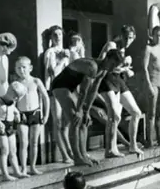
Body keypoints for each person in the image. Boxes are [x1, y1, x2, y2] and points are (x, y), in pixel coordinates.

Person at [50, 50, 124, 167]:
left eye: (115, 66)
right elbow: (84, 91)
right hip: (60, 85)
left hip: (72, 88)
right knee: (75, 119)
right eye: (112, 64)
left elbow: (93, 91)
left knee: (84, 121)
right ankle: (77, 157)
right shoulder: (92, 66)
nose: (112, 68)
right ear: (107, 58)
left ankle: (84, 155)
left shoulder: (103, 70)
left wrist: (86, 111)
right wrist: (79, 110)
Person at [98, 26, 144, 158]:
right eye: (125, 37)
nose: (128, 40)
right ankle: (110, 150)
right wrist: (123, 68)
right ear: (120, 36)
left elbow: (117, 67)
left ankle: (133, 146)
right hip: (107, 80)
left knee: (136, 112)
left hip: (118, 80)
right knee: (114, 116)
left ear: (134, 38)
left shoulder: (123, 49)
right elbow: (101, 64)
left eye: (130, 38)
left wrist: (126, 68)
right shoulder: (111, 45)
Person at [15, 56, 50, 176]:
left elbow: (46, 97)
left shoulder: (36, 81)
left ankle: (33, 167)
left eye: (24, 67)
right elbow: (12, 101)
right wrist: (16, 113)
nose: (21, 70)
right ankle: (23, 168)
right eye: (18, 68)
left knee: (34, 142)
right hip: (22, 115)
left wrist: (46, 114)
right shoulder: (15, 84)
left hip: (35, 113)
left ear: (30, 68)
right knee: (23, 143)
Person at [43, 26, 73, 164]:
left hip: (66, 88)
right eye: (55, 35)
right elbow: (53, 73)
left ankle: (70, 151)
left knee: (67, 122)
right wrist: (61, 59)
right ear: (51, 37)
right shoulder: (50, 53)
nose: (58, 37)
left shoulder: (65, 51)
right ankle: (64, 155)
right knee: (58, 122)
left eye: (60, 34)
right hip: (55, 89)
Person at [0, 81, 29, 181]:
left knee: (13, 150)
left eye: (18, 97)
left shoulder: (12, 102)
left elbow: (14, 109)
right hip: (1, 127)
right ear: (10, 91)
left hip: (10, 126)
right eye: (16, 96)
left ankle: (17, 172)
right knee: (4, 150)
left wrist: (18, 114)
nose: (16, 99)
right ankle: (5, 174)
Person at [143, 14, 160, 147]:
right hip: (153, 81)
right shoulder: (148, 48)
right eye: (157, 35)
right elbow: (144, 68)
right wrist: (148, 85)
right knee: (151, 113)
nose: (159, 38)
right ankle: (149, 140)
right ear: (152, 35)